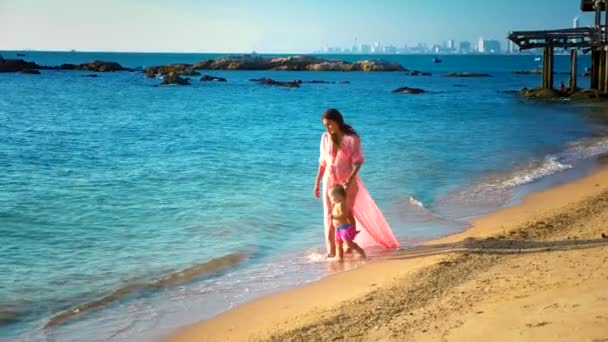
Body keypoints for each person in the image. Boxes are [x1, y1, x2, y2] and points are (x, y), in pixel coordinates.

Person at [314, 108, 399, 258]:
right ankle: (331, 251)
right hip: (329, 181)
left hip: (348, 181)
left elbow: (358, 162)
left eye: (329, 124)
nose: (327, 128)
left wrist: (350, 179)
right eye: (325, 125)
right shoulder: (325, 138)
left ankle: (348, 245)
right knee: (329, 215)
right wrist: (316, 183)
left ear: (338, 121)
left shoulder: (351, 138)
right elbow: (322, 163)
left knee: (347, 214)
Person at [329, 184, 365, 260]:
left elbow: (343, 215)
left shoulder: (341, 204)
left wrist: (334, 217)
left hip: (345, 228)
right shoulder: (336, 204)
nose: (330, 199)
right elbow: (344, 193)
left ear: (338, 196)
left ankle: (360, 250)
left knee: (348, 244)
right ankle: (339, 257)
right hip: (338, 229)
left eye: (331, 197)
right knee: (338, 244)